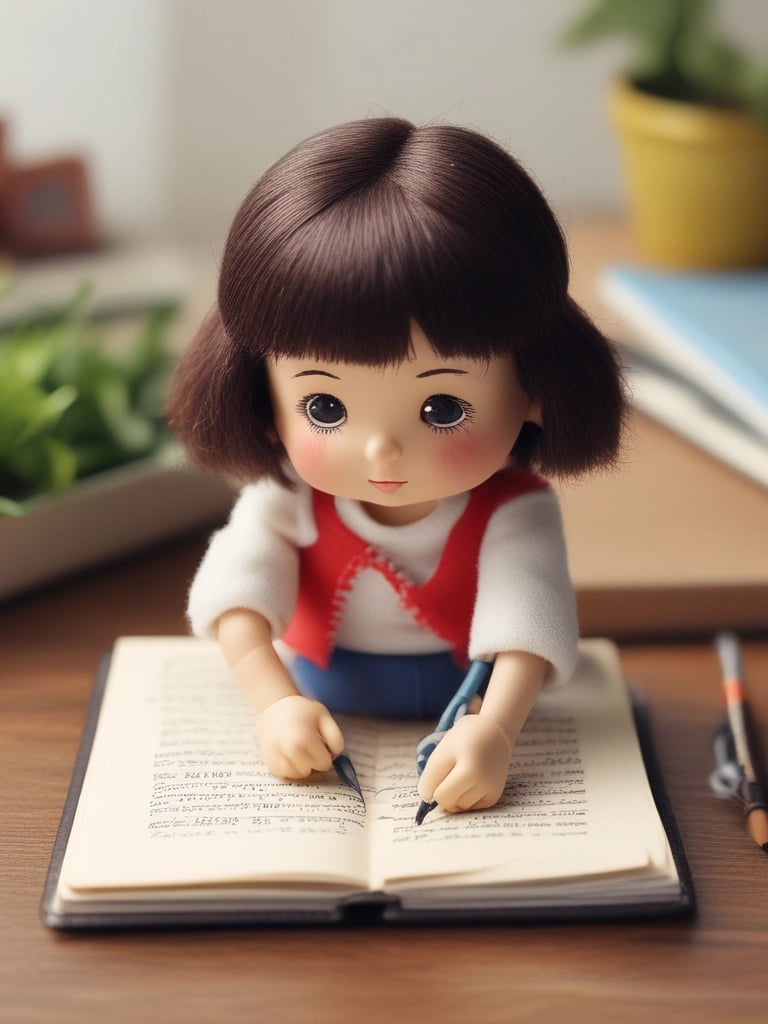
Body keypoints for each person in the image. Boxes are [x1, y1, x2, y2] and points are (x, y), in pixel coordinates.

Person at [166, 116, 625, 814]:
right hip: (322, 684)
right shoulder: (285, 498)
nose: (381, 450)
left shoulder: (515, 509)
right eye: (324, 407)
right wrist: (274, 704)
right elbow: (237, 598)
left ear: (533, 388)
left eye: (442, 407)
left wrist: (495, 730)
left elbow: (528, 619)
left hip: (459, 690)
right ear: (263, 395)